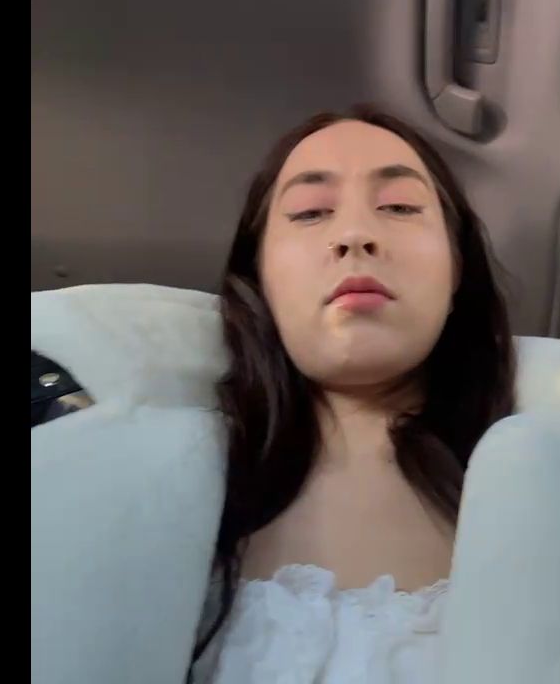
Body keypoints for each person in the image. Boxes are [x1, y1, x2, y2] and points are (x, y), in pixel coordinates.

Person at [193, 106, 516, 683]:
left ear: (457, 270)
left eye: (400, 206)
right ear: (259, 279)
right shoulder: (170, 473)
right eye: (310, 212)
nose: (354, 235)